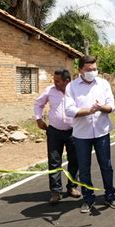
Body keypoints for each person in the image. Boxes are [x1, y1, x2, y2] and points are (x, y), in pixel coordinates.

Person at [65, 55, 115, 213]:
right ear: (80, 70)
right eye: (89, 70)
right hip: (82, 135)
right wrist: (88, 111)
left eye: (95, 69)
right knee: (84, 168)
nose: (93, 72)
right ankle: (88, 199)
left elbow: (111, 106)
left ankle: (110, 196)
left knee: (106, 166)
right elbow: (69, 110)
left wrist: (101, 107)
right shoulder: (72, 87)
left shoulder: (103, 84)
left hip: (101, 131)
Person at [34, 69, 80, 204]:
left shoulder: (75, 91)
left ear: (67, 81)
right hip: (54, 131)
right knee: (54, 161)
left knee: (74, 160)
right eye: (54, 80)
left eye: (57, 81)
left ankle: (72, 187)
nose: (54, 83)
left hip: (74, 131)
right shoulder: (50, 91)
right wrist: (38, 119)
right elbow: (38, 104)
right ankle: (55, 191)